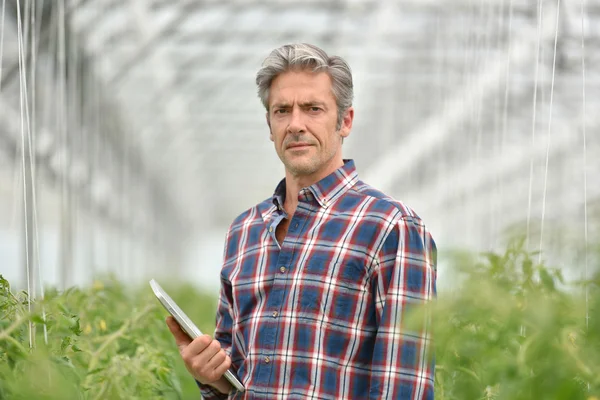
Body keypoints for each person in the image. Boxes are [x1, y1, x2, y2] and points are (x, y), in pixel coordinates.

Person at [167, 43, 437, 399]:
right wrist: (211, 375)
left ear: (345, 121)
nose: (296, 124)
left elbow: (404, 386)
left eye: (313, 109)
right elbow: (234, 378)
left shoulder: (390, 227)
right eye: (282, 111)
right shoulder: (245, 231)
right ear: (269, 125)